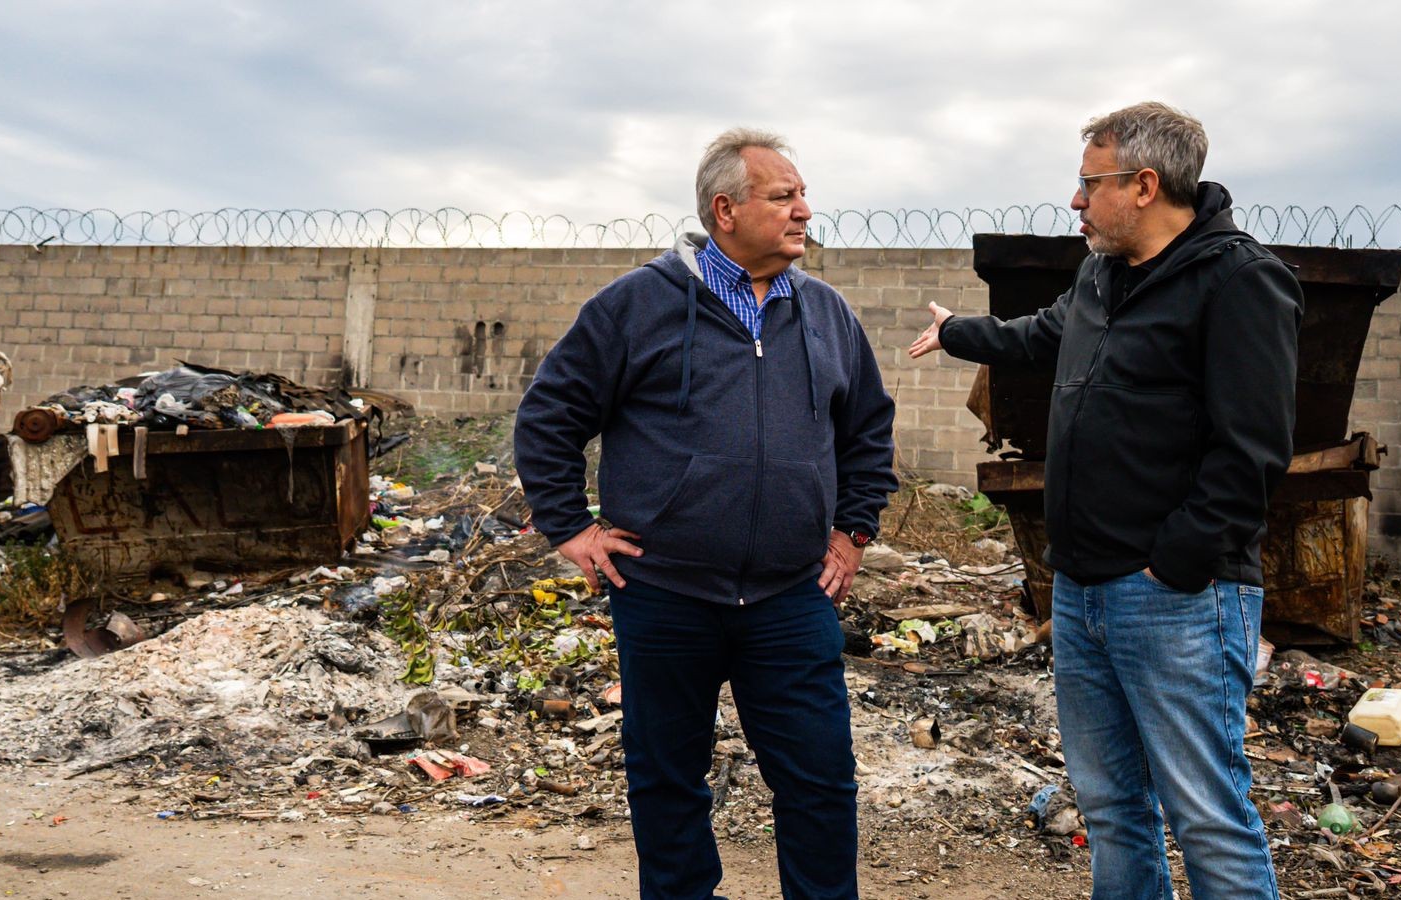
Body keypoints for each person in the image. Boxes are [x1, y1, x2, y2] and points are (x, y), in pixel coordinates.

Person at [909, 102, 1300, 900]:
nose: (1077, 200)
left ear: (1145, 185)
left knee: (1207, 816)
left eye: (1091, 184)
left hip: (1177, 599)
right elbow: (1042, 335)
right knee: (1114, 808)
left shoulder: (1240, 281)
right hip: (1081, 587)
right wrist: (958, 333)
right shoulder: (1100, 275)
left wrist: (1176, 562)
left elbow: (1253, 451)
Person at [514, 127, 896, 899]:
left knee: (821, 780)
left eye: (803, 195)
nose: (804, 211)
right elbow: (549, 415)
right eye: (783, 197)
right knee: (668, 780)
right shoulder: (637, 306)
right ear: (726, 210)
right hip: (665, 592)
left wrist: (853, 530)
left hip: (791, 596)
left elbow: (868, 430)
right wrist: (572, 527)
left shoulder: (826, 313)